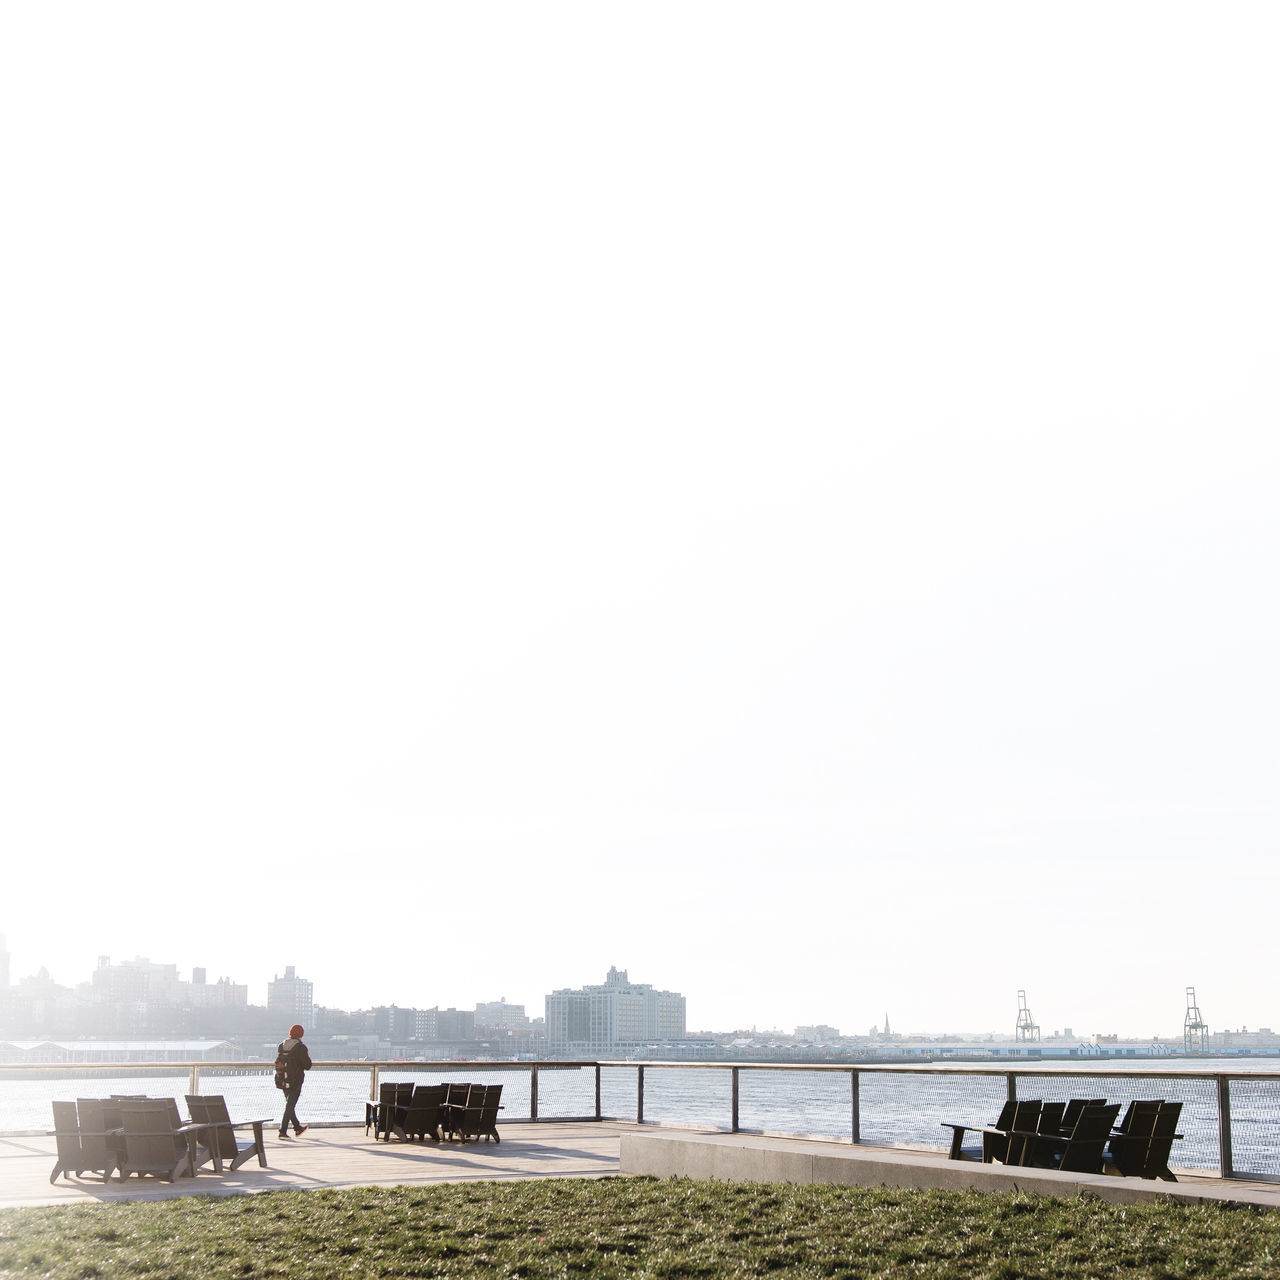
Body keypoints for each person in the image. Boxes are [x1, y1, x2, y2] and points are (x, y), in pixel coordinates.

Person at [277, 1023, 312, 1138]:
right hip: (295, 1080)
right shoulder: (300, 1047)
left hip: (282, 1079)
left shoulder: (281, 1045)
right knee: (290, 1105)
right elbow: (307, 1065)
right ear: (301, 1035)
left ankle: (297, 1128)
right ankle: (282, 1131)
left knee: (289, 1104)